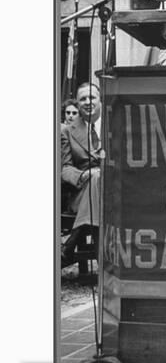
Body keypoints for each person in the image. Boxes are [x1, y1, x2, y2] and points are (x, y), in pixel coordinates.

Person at [61, 83, 102, 267]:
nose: (87, 102)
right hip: (81, 192)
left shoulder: (113, 123)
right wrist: (83, 175)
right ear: (77, 104)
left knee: (98, 177)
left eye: (91, 97)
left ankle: (68, 246)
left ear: (100, 100)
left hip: (113, 192)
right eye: (82, 99)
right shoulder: (67, 132)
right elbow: (64, 169)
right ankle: (104, 264)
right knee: (94, 178)